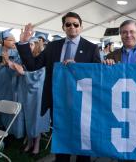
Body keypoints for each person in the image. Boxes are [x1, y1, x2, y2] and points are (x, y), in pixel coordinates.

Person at [16, 12, 101, 162]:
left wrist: (78, 70)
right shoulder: (53, 46)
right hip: (58, 103)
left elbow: (98, 75)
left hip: (83, 104)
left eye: (75, 24)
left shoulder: (91, 48)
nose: (72, 27)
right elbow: (32, 65)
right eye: (68, 24)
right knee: (62, 145)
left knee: (83, 144)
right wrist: (23, 43)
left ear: (81, 27)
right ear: (63, 27)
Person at [20, 37, 50, 156]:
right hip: (28, 93)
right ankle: (29, 143)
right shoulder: (28, 60)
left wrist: (24, 73)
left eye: (31, 44)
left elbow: (39, 77)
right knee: (29, 116)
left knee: (37, 118)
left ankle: (36, 145)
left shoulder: (42, 59)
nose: (29, 47)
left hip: (39, 94)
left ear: (37, 45)